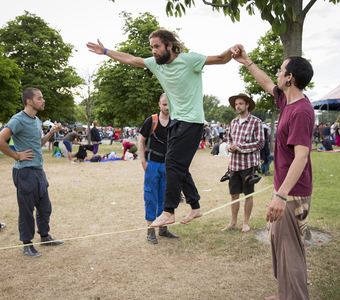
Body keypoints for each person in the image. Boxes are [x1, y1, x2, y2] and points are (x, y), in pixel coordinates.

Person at [87, 29, 237, 226]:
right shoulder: (155, 64)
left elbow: (220, 59)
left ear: (170, 46)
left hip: (192, 121)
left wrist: (231, 50)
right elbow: (131, 59)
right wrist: (106, 51)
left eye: (157, 46)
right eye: (152, 47)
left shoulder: (189, 60)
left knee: (172, 162)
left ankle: (168, 210)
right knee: (177, 165)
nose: (154, 51)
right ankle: (196, 206)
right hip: (176, 121)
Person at [233, 43, 315, 300]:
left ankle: (295, 297)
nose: (278, 74)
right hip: (284, 190)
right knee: (280, 244)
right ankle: (285, 294)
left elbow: (301, 157)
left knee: (290, 249)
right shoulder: (287, 102)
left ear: (290, 77)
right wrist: (246, 61)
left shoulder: (301, 111)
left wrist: (281, 195)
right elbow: (266, 82)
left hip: (292, 193)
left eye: (282, 71)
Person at [0, 87, 64, 258]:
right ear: (29, 101)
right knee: (26, 210)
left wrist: (51, 133)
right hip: (25, 173)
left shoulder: (36, 120)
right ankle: (27, 244)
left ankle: (45, 237)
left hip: (38, 171)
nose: (43, 100)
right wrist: (17, 155)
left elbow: (37, 143)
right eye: (40, 98)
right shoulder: (18, 119)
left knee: (45, 207)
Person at [138, 93, 179, 244]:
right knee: (150, 197)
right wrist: (143, 161)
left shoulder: (176, 121)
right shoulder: (152, 120)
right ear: (159, 105)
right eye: (164, 105)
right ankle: (150, 230)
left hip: (168, 166)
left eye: (169, 104)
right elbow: (141, 141)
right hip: (152, 164)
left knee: (165, 197)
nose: (167, 108)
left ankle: (163, 229)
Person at [222, 93, 264, 233]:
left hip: (248, 165)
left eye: (240, 103)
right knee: (234, 195)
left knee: (248, 194)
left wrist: (239, 147)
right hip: (234, 165)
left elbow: (260, 143)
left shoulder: (256, 122)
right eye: (236, 104)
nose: (237, 106)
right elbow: (230, 141)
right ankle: (233, 222)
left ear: (247, 105)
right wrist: (229, 147)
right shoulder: (233, 122)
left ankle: (245, 223)